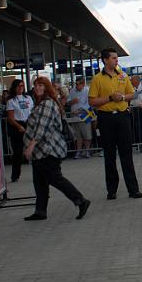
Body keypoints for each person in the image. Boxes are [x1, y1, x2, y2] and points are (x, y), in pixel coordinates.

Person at [22, 77, 91, 221]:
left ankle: (80, 200)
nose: (37, 88)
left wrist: (31, 146)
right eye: (36, 85)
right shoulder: (41, 103)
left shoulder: (47, 104)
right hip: (40, 152)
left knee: (55, 178)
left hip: (48, 149)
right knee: (40, 182)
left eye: (41, 85)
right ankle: (40, 210)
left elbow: (42, 127)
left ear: (47, 87)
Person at [88, 48, 142, 200]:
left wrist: (123, 97)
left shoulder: (123, 75)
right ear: (105, 60)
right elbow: (92, 101)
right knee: (109, 155)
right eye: (113, 58)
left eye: (117, 58)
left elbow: (132, 94)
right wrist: (109, 98)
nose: (116, 60)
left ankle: (133, 189)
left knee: (127, 154)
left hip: (123, 117)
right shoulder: (97, 78)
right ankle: (111, 190)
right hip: (106, 118)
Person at [6, 78, 33, 183]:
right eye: (19, 86)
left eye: (22, 86)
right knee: (17, 153)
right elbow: (10, 118)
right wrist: (18, 126)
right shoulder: (11, 101)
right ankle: (15, 175)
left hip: (28, 123)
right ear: (14, 88)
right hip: (17, 125)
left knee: (33, 149)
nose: (21, 88)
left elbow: (32, 111)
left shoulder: (28, 98)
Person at [67, 77, 93, 158]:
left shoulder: (87, 90)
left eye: (79, 84)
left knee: (86, 134)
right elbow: (68, 102)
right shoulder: (72, 91)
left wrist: (80, 110)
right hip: (74, 116)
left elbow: (89, 103)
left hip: (85, 114)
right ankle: (78, 151)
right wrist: (72, 102)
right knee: (77, 135)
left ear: (83, 84)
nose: (77, 86)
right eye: (76, 84)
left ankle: (87, 151)